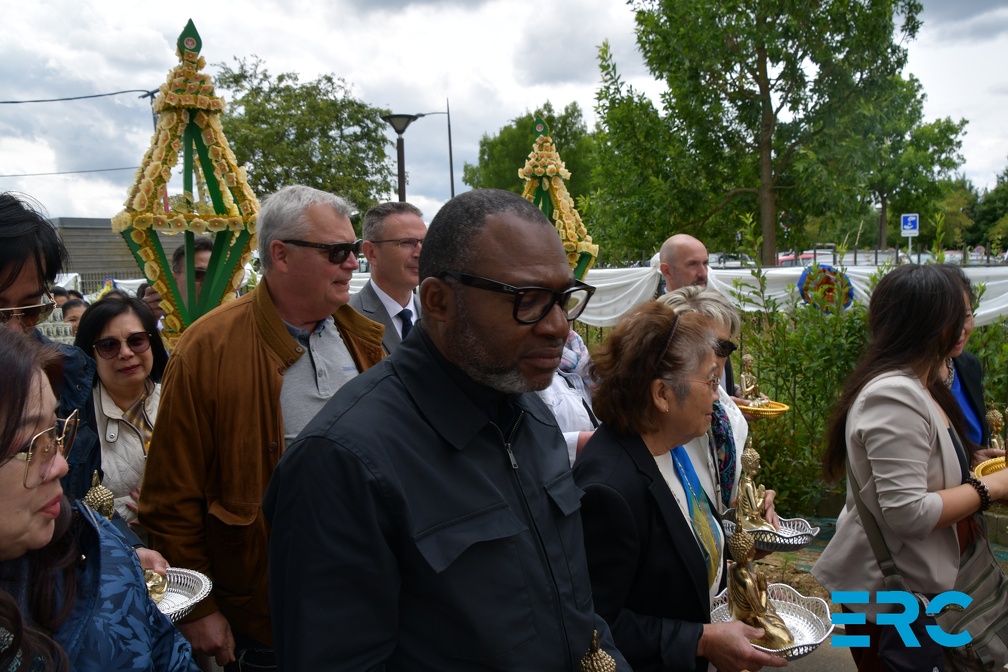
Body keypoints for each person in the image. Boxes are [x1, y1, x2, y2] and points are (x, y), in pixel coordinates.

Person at [263, 188, 625, 671]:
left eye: (563, 299)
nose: (558, 325)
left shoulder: (531, 417)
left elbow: (575, 612)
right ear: (438, 300)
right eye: (529, 300)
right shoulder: (341, 463)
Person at [138, 185, 385, 670]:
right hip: (265, 621)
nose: (353, 263)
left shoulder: (364, 339)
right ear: (281, 255)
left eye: (353, 249)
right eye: (337, 251)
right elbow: (169, 500)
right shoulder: (206, 348)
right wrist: (195, 608)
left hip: (364, 604)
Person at [572, 302, 786, 672]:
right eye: (711, 381)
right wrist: (702, 640)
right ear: (662, 394)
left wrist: (746, 537)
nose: (718, 396)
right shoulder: (610, 490)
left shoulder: (670, 451)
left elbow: (683, 549)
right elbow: (595, 626)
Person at [813, 263, 1008, 671]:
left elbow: (917, 467)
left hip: (908, 588)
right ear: (929, 324)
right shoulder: (894, 395)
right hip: (886, 598)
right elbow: (907, 512)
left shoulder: (920, 383)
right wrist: (991, 488)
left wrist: (970, 463)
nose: (965, 326)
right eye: (956, 315)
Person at [0, 325, 199, 672]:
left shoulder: (97, 546)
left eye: (56, 432)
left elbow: (170, 656)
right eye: (31, 445)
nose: (61, 465)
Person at [0, 191, 165, 573]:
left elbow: (80, 494)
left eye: (30, 311)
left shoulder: (66, 376)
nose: (13, 331)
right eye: (109, 345)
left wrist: (123, 547)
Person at [659, 285, 769, 515]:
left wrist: (752, 509)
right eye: (704, 347)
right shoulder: (655, 423)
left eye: (723, 348)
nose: (712, 359)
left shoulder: (724, 417)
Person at [73, 294, 168, 544]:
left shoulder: (179, 399)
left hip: (184, 549)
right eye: (108, 346)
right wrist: (134, 511)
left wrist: (172, 503)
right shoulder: (76, 420)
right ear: (90, 354)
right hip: (116, 554)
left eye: (136, 341)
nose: (126, 353)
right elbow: (75, 501)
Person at [936, 264, 1004, 467]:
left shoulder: (967, 364)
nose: (959, 331)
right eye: (947, 321)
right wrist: (968, 460)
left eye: (965, 317)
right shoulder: (910, 380)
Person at [349, 201, 426, 353]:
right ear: (371, 253)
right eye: (406, 242)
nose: (420, 253)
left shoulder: (438, 317)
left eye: (425, 242)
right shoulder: (346, 319)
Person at [536, 329, 599, 466]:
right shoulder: (526, 372)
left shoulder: (587, 364)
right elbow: (524, 446)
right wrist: (580, 443)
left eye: (567, 318)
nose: (559, 323)